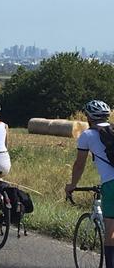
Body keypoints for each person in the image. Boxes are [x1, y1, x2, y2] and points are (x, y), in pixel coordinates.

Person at [65, 100, 114, 268]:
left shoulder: (87, 135)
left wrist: (72, 185)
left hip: (111, 183)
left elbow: (79, 165)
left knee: (111, 231)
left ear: (88, 117)